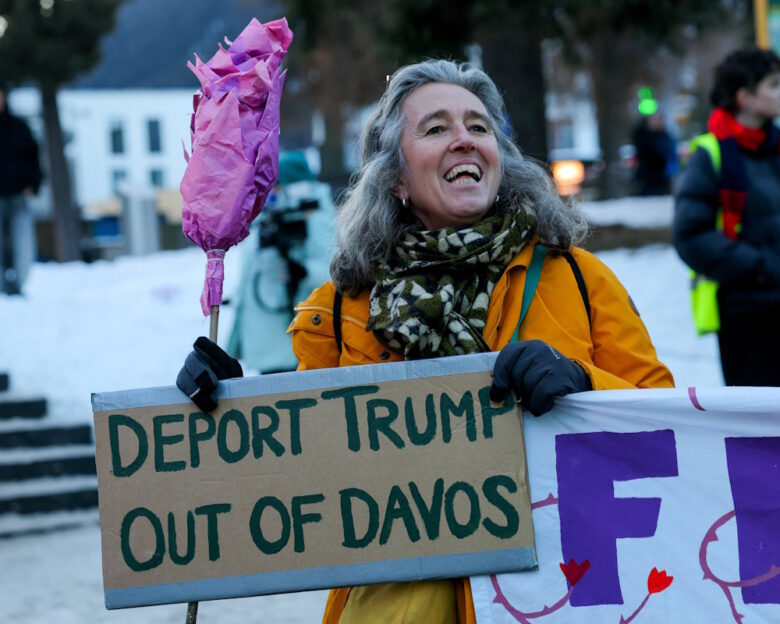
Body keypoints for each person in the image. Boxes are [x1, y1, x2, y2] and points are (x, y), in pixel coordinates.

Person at [177, 60, 674, 623]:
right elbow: (305, 476)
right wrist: (225, 416)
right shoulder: (339, 308)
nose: (464, 139)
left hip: (558, 595)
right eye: (436, 128)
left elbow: (668, 431)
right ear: (395, 176)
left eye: (479, 127)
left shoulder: (581, 279)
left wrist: (584, 385)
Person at [674, 47, 780, 386]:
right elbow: (691, 236)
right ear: (745, 98)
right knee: (762, 431)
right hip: (748, 316)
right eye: (774, 84)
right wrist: (761, 266)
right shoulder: (711, 153)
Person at [0, 79, 42, 295]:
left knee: (22, 243)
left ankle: (19, 283)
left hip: (18, 194)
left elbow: (34, 158)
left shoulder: (19, 127)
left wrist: (33, 185)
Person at [632, 112, 677, 195]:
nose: (658, 122)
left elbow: (670, 153)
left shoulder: (665, 136)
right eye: (654, 119)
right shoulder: (644, 136)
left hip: (662, 177)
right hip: (647, 178)